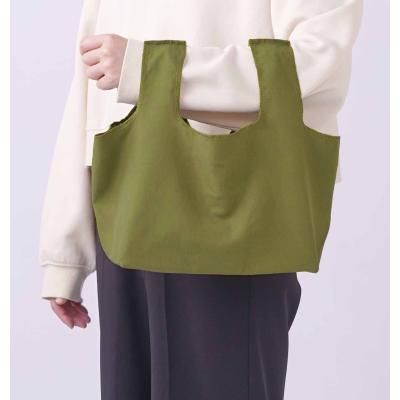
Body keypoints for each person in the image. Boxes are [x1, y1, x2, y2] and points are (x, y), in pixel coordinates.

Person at [39, 0, 363, 398]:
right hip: (123, 212)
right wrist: (65, 252)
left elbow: (318, 63)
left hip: (233, 204)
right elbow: (88, 89)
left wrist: (150, 68)